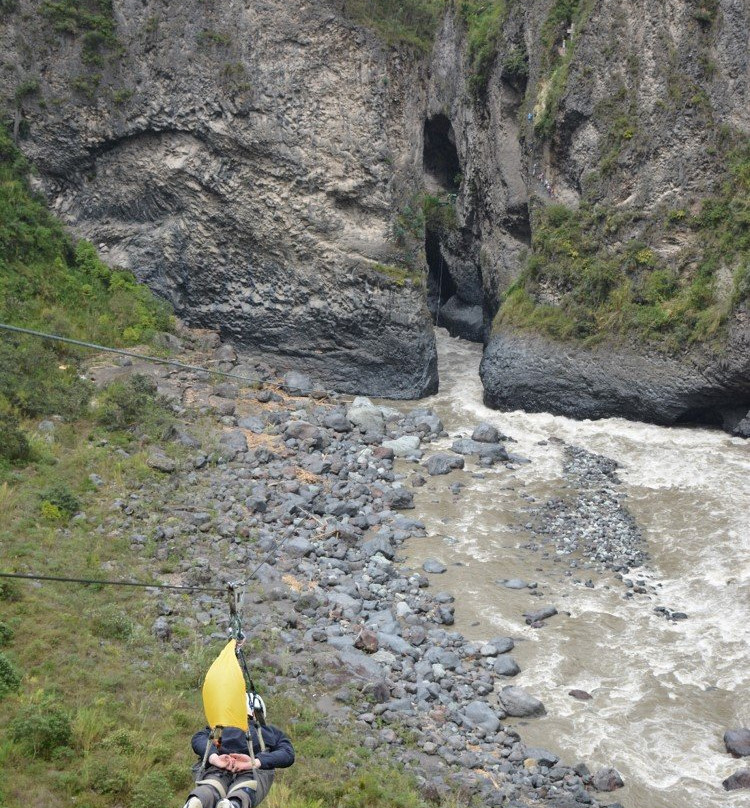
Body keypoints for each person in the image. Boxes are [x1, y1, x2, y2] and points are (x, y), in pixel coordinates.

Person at [183, 695, 295, 808]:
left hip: (220, 767)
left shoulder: (220, 728)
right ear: (258, 713)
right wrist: (256, 762)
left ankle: (198, 799)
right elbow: (288, 754)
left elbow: (198, 738)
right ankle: (233, 804)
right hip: (251, 773)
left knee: (212, 785)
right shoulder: (268, 732)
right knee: (244, 790)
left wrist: (214, 758)